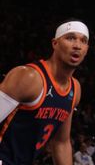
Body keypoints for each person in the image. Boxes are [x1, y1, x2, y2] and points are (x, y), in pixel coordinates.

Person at [0, 20, 89, 165]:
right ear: (55, 43)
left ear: (87, 49)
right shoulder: (30, 77)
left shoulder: (75, 89)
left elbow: (61, 142)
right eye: (70, 38)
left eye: (83, 41)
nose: (77, 46)